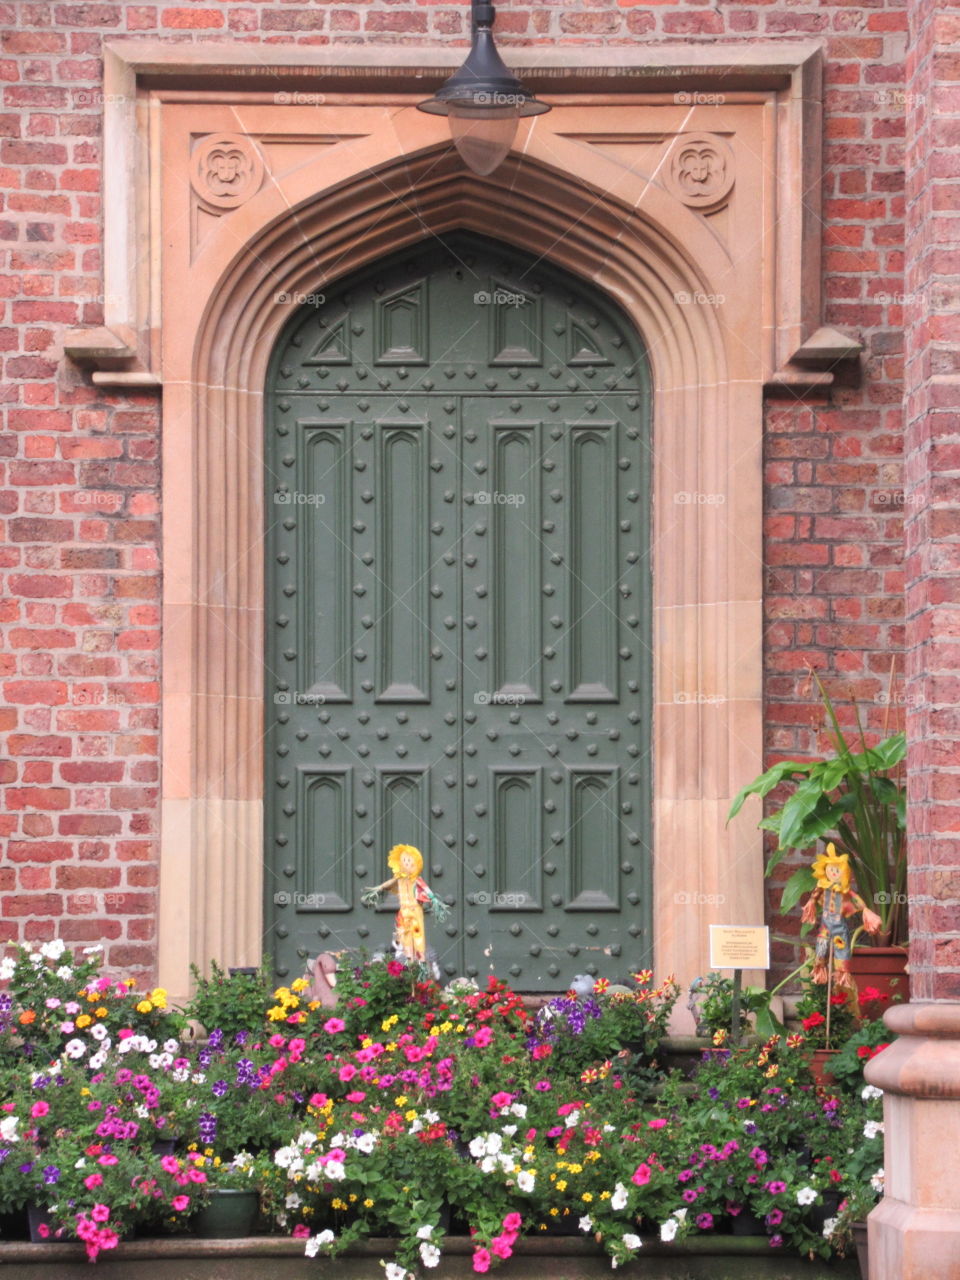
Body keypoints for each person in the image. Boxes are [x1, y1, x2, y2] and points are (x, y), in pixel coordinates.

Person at [800, 842, 882, 990]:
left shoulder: (845, 891)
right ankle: (819, 968)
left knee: (841, 947)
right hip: (825, 925)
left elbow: (857, 900)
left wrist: (866, 911)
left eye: (837, 870)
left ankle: (842, 974)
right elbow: (814, 896)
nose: (833, 873)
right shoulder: (822, 888)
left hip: (838, 926)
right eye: (830, 870)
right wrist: (811, 902)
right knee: (821, 946)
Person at [361, 844, 447, 964]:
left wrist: (435, 900)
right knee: (404, 935)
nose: (406, 863)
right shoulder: (399, 878)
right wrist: (378, 888)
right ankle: (409, 959)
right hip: (404, 911)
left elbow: (426, 889)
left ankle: (421, 960)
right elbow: (389, 883)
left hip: (415, 911)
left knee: (417, 934)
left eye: (409, 860)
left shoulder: (416, 880)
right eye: (404, 860)